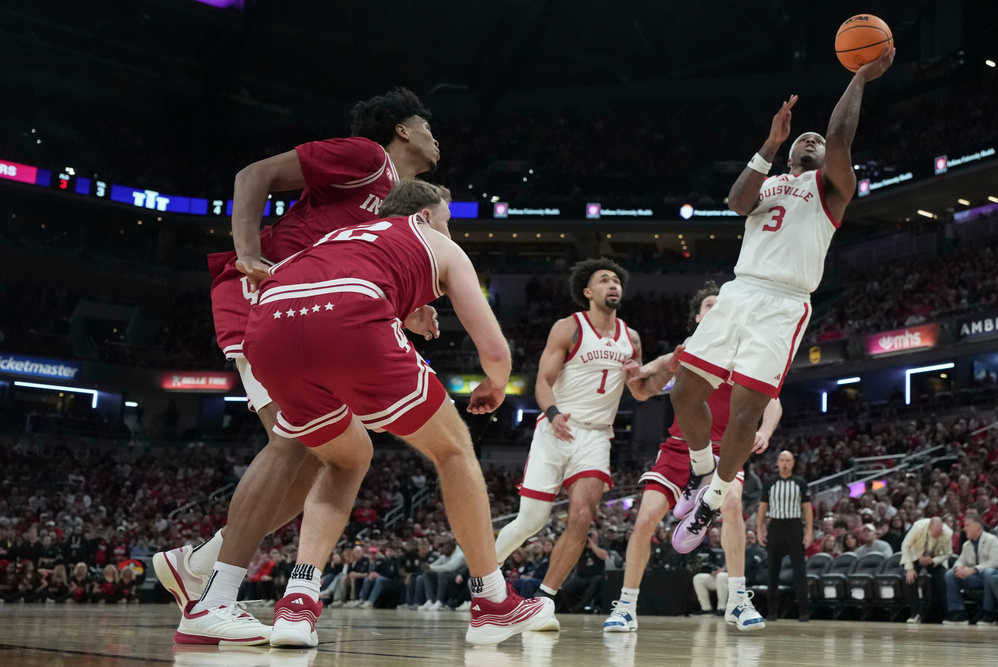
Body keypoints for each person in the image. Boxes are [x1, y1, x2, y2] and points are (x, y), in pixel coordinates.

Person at [154, 87, 443, 645]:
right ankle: (211, 600)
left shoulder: (394, 201)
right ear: (403, 130)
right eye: (427, 126)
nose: (437, 137)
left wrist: (414, 306)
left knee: (326, 451)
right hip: (265, 302)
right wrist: (246, 252)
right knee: (295, 442)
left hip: (302, 314)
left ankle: (198, 563)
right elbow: (252, 175)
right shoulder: (366, 156)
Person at [243, 180, 554, 647]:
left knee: (344, 458)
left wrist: (405, 310)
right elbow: (492, 349)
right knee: (454, 450)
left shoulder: (342, 237)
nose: (450, 231)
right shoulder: (434, 241)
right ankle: (492, 602)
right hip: (349, 319)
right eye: (448, 221)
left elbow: (332, 288)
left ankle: (298, 601)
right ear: (426, 216)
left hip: (269, 329)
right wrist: (495, 381)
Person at [669, 47, 896, 552]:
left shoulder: (833, 189)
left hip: (784, 303)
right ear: (791, 154)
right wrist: (770, 144)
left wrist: (859, 77)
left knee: (747, 412)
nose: (813, 139)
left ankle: (714, 498)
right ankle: (701, 471)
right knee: (685, 390)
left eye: (816, 140)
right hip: (740, 290)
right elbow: (735, 203)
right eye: (803, 138)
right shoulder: (770, 181)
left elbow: (838, 135)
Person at [493, 258, 680, 630]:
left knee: (581, 517)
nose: (613, 284)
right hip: (555, 429)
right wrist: (552, 413)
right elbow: (543, 382)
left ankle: (543, 600)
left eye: (617, 280)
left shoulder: (632, 338)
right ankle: (482, 574)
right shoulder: (568, 328)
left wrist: (664, 372)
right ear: (588, 292)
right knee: (530, 521)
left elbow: (640, 392)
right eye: (604, 280)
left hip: (596, 436)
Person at [605, 282, 781, 633]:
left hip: (723, 450)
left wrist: (765, 432)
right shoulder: (686, 352)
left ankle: (737, 600)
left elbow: (773, 402)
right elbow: (646, 381)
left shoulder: (745, 352)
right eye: (710, 305)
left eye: (722, 304)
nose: (716, 309)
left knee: (732, 506)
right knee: (644, 520)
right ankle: (626, 605)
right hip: (677, 448)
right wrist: (640, 374)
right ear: (699, 316)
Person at [756, 450, 812, 621]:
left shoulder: (800, 483)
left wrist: (809, 530)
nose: (785, 463)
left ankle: (803, 611)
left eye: (788, 460)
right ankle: (772, 612)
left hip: (794, 526)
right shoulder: (769, 483)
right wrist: (759, 529)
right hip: (776, 527)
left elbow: (807, 508)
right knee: (773, 570)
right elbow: (763, 507)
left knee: (799, 570)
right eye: (782, 460)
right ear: (778, 463)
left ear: (793, 463)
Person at [943, 513, 998, 625]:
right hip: (977, 578)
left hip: (997, 577)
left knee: (988, 572)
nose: (964, 528)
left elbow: (994, 563)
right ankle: (958, 613)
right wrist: (959, 569)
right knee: (950, 574)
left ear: (977, 526)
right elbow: (960, 561)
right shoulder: (967, 545)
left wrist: (973, 570)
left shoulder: (993, 540)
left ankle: (989, 613)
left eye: (967, 525)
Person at [900, 516, 952, 624]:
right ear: (929, 527)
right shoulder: (918, 526)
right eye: (934, 533)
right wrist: (909, 568)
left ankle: (945, 615)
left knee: (942, 579)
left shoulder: (948, 532)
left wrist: (933, 561)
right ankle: (915, 614)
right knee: (910, 579)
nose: (937, 535)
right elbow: (905, 545)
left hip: (935, 558)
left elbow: (948, 553)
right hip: (916, 555)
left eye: (939, 533)